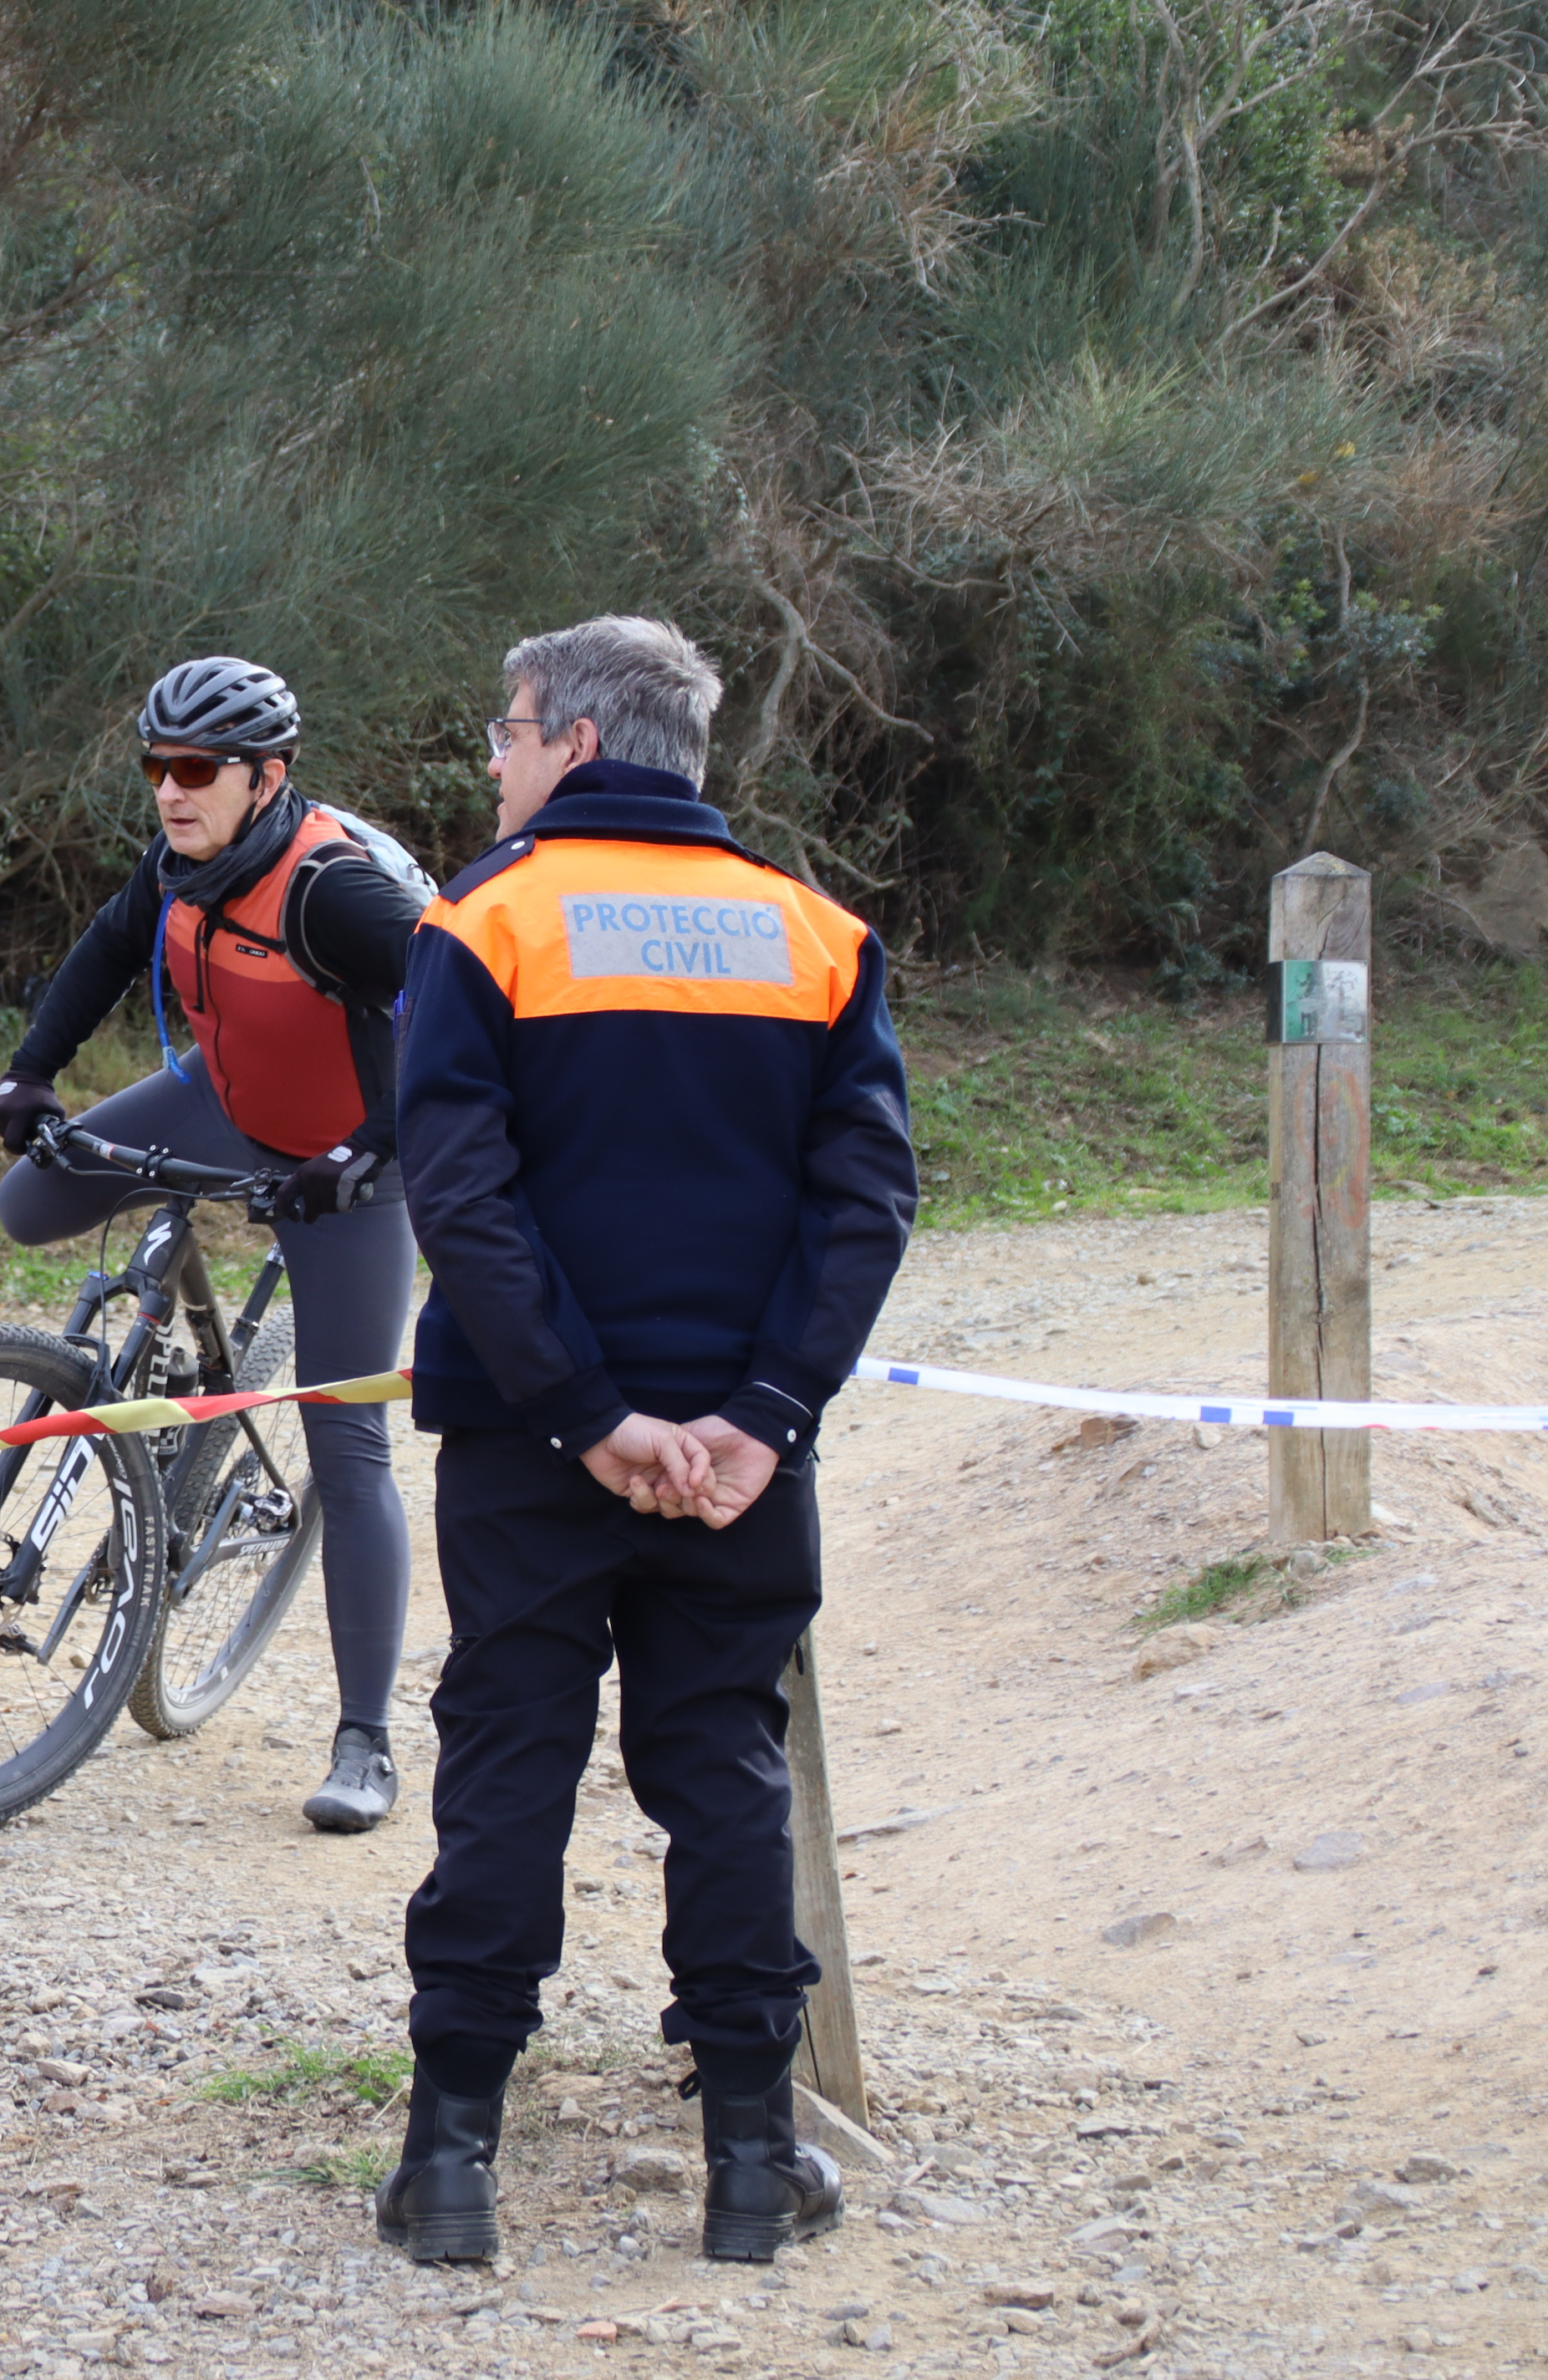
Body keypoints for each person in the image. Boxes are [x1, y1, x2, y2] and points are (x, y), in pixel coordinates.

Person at [370, 616, 915, 2266]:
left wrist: (585, 1410)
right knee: (723, 1768)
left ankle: (452, 2158)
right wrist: (762, 1414)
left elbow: (457, 1190)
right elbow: (865, 1198)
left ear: (579, 743)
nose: (493, 757)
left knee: (508, 1762)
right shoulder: (818, 934)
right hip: (742, 1462)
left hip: (536, 1445)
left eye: (509, 727)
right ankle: (754, 2162)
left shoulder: (483, 920)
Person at [0, 658, 427, 1831]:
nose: (169, 791)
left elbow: (452, 1013)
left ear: (267, 775)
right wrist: (33, 1069)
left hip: (346, 1168)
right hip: (223, 1103)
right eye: (155, 767)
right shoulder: (178, 864)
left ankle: (366, 1742)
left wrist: (370, 1152)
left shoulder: (334, 892)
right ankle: (185, 1376)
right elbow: (111, 948)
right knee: (30, 1203)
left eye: (196, 770)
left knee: (350, 1442)